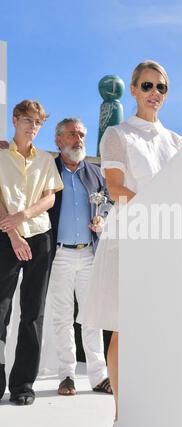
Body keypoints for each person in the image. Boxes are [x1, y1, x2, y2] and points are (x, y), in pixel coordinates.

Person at [79, 60, 182, 427]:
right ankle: (123, 419)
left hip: (170, 240)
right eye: (147, 85)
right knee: (126, 327)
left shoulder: (176, 142)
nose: (155, 93)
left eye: (162, 87)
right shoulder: (117, 134)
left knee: (163, 327)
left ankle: (159, 411)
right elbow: (116, 188)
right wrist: (159, 212)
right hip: (132, 238)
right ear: (135, 91)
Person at [0, 99, 63, 405]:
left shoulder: (46, 159)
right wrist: (12, 232)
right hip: (4, 236)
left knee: (33, 312)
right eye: (27, 120)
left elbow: (49, 198)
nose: (33, 127)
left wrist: (23, 216)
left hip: (40, 237)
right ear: (14, 119)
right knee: (0, 311)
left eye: (38, 123)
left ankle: (23, 385)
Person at [47, 118, 112, 396]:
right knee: (62, 317)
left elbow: (107, 201)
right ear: (59, 140)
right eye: (73, 134)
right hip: (58, 254)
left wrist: (102, 220)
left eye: (82, 134)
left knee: (92, 317)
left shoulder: (96, 172)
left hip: (89, 254)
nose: (79, 139)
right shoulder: (48, 169)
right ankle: (67, 376)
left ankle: (99, 376)